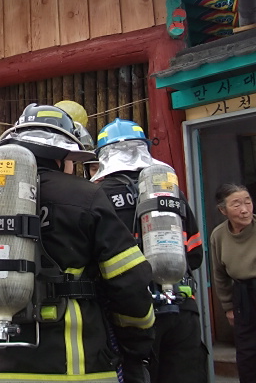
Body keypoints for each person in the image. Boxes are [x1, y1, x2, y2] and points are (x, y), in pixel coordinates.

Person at [0, 104, 155, 383]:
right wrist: (136, 349)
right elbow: (129, 282)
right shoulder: (88, 198)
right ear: (61, 156)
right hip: (81, 371)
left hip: (1, 371)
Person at [92, 118, 206, 383]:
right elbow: (195, 252)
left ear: (103, 155)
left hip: (130, 316)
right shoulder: (169, 191)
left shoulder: (98, 195)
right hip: (181, 307)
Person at [210, 183, 256, 383]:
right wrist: (228, 306)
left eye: (248, 202)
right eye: (236, 205)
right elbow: (219, 274)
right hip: (242, 294)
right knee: (246, 351)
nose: (244, 209)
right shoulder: (218, 235)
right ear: (223, 210)